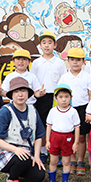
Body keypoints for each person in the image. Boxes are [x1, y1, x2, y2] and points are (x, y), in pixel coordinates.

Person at [0, 77, 46, 182]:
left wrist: (37, 156)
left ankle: (16, 171)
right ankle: (12, 179)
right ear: (11, 94)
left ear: (28, 93)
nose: (20, 94)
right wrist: (15, 150)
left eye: (23, 91)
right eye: (16, 91)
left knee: (39, 176)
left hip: (24, 151)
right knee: (23, 158)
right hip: (4, 151)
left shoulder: (32, 110)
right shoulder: (5, 111)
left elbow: (39, 135)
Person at [58, 47, 91, 176]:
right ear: (68, 61)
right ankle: (72, 160)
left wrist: (89, 112)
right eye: (72, 60)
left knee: (81, 136)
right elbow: (60, 95)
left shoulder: (87, 77)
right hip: (68, 109)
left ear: (83, 61)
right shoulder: (64, 77)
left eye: (78, 60)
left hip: (83, 108)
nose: (75, 63)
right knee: (70, 135)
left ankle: (80, 160)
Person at [31, 31, 67, 163]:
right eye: (44, 43)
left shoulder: (59, 63)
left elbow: (63, 81)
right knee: (41, 124)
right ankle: (43, 152)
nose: (47, 46)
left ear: (55, 45)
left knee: (55, 125)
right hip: (40, 96)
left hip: (56, 97)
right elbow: (33, 80)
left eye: (50, 43)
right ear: (40, 45)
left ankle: (56, 152)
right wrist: (37, 93)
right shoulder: (36, 63)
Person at [44, 84, 80, 182]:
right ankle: (52, 181)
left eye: (66, 97)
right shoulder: (53, 111)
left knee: (66, 161)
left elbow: (77, 128)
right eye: (61, 97)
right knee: (53, 160)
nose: (63, 100)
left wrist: (76, 142)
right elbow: (49, 126)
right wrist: (47, 140)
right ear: (56, 98)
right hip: (55, 137)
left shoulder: (73, 111)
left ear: (71, 97)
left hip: (67, 137)